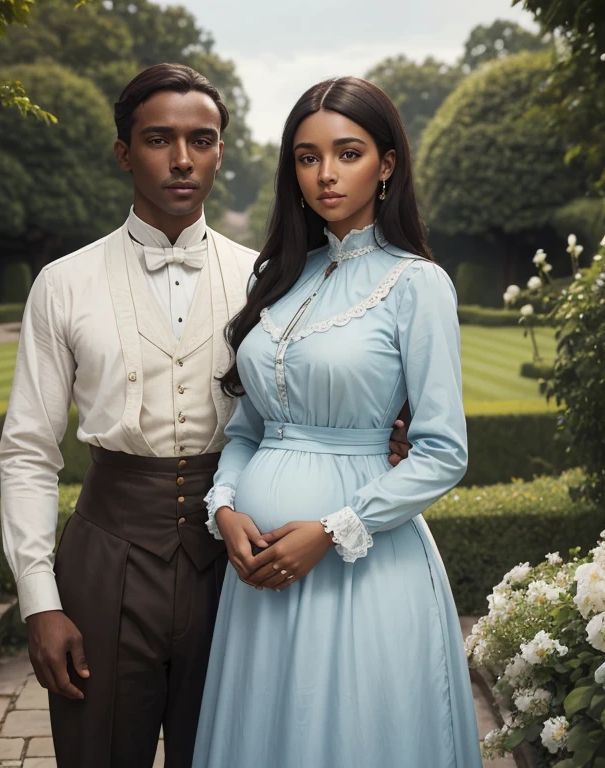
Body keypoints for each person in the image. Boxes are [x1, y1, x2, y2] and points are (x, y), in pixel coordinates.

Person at [0, 64, 410, 768]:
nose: (182, 158)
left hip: (240, 563)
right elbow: (29, 453)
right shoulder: (62, 284)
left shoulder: (275, 280)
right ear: (125, 152)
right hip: (106, 557)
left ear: (222, 150)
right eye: (159, 139)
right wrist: (41, 602)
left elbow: (339, 383)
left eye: (202, 139)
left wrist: (381, 440)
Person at [193, 76, 482, 768]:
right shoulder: (281, 275)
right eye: (306, 156)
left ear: (386, 164)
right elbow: (246, 431)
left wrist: (329, 531)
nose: (325, 174)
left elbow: (442, 452)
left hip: (362, 569)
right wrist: (226, 510)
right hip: (256, 574)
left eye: (347, 153)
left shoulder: (416, 284)